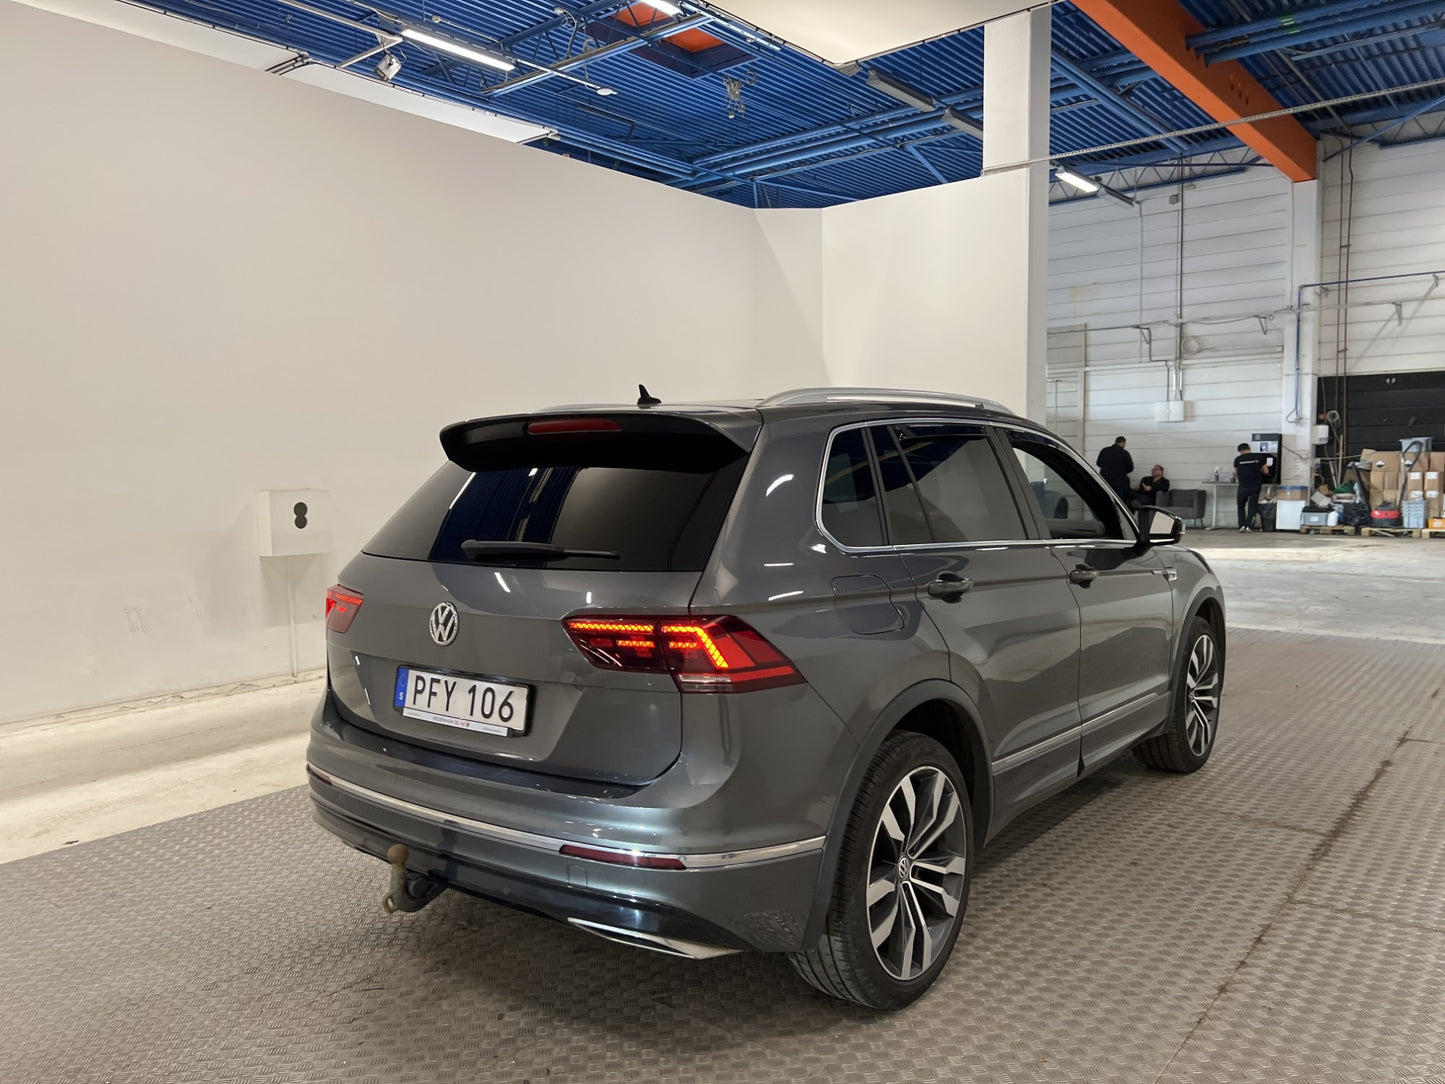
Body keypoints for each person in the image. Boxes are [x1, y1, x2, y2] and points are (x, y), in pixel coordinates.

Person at [1232, 442, 1272, 531]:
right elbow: (1266, 471)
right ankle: (1249, 526)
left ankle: (1241, 526)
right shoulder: (1260, 457)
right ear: (1249, 448)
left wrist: (1240, 480)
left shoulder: (1238, 459)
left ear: (1240, 451)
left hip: (1243, 485)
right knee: (1252, 505)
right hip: (1255, 485)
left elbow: (1235, 473)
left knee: (1241, 506)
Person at [1096, 436, 1133, 506]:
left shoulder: (1104, 450)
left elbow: (1099, 463)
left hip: (1105, 481)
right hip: (1119, 483)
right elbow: (1130, 468)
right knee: (1119, 503)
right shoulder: (1125, 453)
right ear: (1123, 443)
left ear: (1115, 442)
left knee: (1106, 501)